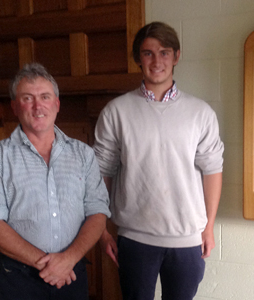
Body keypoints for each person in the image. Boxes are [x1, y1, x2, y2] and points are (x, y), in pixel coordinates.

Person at [94, 22, 224, 300]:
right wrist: (102, 229)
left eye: (164, 52)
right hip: (135, 239)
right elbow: (101, 172)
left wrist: (209, 227)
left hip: (188, 238)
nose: (156, 61)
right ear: (138, 58)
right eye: (148, 53)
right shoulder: (116, 112)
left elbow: (212, 169)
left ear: (176, 56)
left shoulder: (200, 113)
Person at [0, 63, 111, 300]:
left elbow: (97, 212)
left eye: (45, 97)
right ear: (15, 107)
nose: (38, 106)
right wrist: (49, 265)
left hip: (72, 273)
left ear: (56, 104)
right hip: (18, 277)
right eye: (28, 98)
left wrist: (67, 260)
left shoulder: (83, 154)